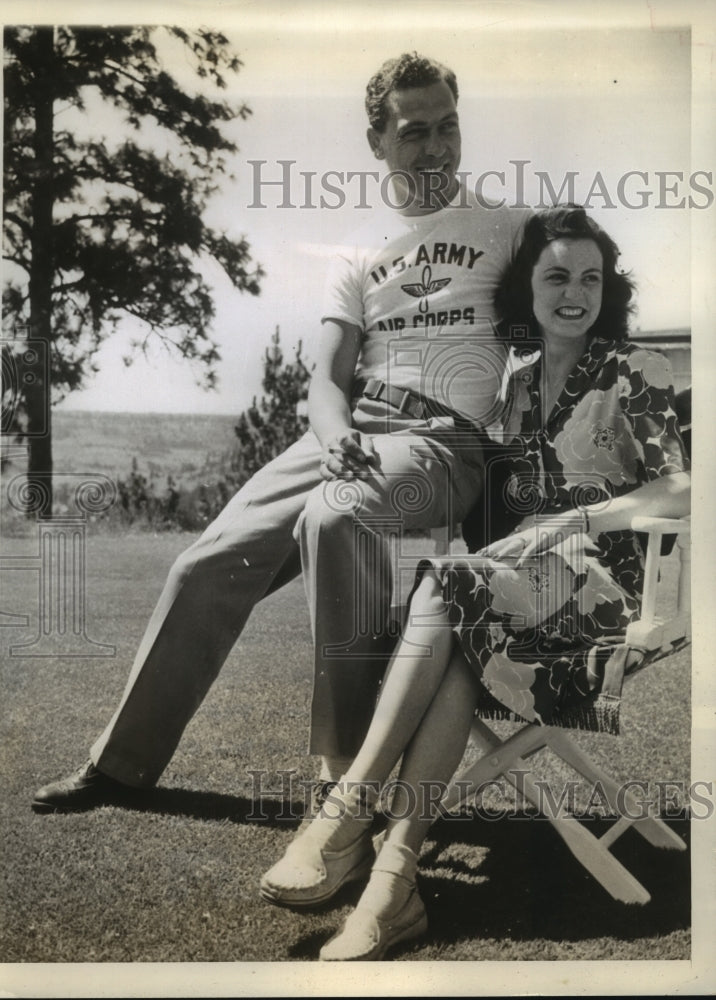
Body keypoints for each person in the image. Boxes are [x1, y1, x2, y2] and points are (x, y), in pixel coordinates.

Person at [32, 53, 529, 812]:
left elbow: (583, 301)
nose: (436, 148)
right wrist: (333, 438)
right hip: (354, 426)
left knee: (338, 516)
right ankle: (121, 764)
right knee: (203, 566)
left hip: (443, 438)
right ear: (377, 143)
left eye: (449, 127)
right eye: (415, 131)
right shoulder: (359, 248)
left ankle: (346, 781)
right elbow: (326, 380)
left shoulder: (508, 227)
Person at [259, 205, 691, 961]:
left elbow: (683, 492)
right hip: (516, 592)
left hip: (603, 601)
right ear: (525, 288)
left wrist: (579, 524)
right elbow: (487, 510)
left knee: (455, 595)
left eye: (590, 277)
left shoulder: (634, 370)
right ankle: (393, 887)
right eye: (556, 275)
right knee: (459, 616)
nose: (574, 292)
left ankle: (349, 809)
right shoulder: (513, 390)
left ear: (605, 289)